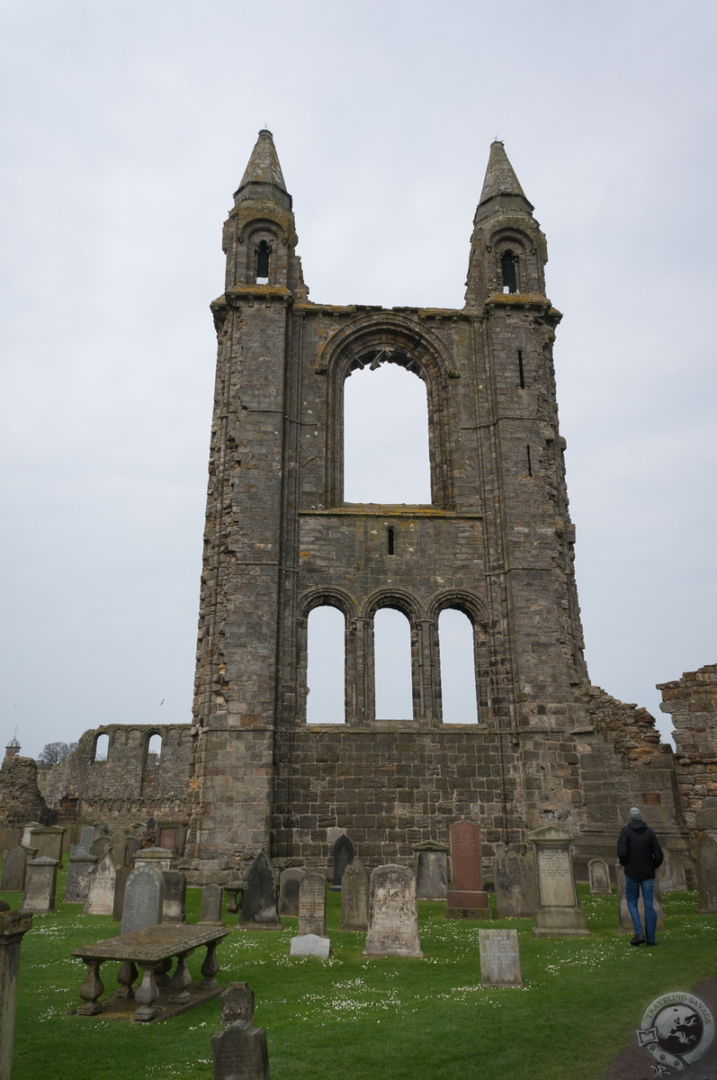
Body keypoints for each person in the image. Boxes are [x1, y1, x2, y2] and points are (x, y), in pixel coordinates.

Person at [617, 806, 664, 946]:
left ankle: (638, 932)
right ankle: (651, 938)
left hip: (632, 872)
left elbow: (622, 853)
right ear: (640, 817)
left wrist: (626, 864)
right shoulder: (649, 832)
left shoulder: (625, 832)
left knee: (632, 901)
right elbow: (659, 855)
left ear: (630, 818)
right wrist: (652, 866)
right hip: (648, 873)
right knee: (649, 904)